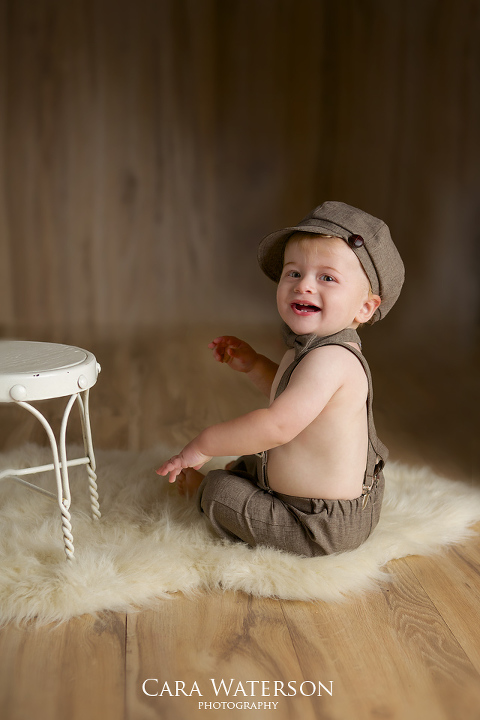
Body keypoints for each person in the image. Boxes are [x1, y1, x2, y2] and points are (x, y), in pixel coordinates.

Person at [156, 201, 405, 556]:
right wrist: (255, 365)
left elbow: (277, 426)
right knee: (247, 466)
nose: (303, 286)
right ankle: (255, 487)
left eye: (327, 278)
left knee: (220, 489)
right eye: (293, 273)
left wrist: (203, 445)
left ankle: (200, 493)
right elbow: (293, 396)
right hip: (315, 503)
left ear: (364, 307)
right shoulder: (313, 348)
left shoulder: (333, 360)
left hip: (316, 524)